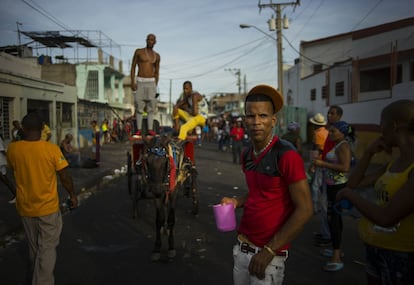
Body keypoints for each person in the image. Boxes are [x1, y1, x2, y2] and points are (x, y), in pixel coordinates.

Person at [221, 84, 313, 285]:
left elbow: (305, 209)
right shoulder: (247, 154)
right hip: (241, 249)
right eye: (251, 116)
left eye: (263, 116)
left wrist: (270, 251)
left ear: (273, 120)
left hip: (268, 257)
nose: (256, 122)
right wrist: (236, 201)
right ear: (244, 120)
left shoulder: (287, 155)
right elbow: (258, 192)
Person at [336, 99, 414, 284]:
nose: (380, 130)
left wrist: (349, 196)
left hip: (403, 257)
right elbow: (354, 183)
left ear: (394, 126)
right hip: (377, 249)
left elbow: (386, 217)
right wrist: (369, 153)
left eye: (382, 125)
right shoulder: (393, 164)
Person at [6, 112, 78, 285]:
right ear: (42, 128)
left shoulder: (13, 149)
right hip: (47, 208)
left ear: (23, 129)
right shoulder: (51, 149)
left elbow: (12, 166)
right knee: (46, 249)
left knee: (34, 248)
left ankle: (36, 273)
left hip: (25, 208)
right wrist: (73, 195)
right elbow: (65, 177)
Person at [313, 120, 355, 271]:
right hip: (332, 186)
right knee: (333, 219)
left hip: (338, 188)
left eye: (333, 131)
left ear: (342, 133)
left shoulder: (343, 146)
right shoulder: (338, 145)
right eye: (330, 131)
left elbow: (345, 167)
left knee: (334, 220)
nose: (330, 134)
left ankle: (336, 257)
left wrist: (323, 164)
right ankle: (336, 248)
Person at [312, 107, 343, 248]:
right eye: (328, 113)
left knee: (330, 208)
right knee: (327, 207)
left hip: (334, 176)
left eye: (333, 113)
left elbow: (345, 164)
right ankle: (327, 235)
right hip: (327, 172)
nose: (329, 115)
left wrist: (321, 163)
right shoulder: (329, 131)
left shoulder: (339, 133)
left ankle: (330, 239)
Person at [130, 33, 160, 137]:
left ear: (155, 42)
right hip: (140, 81)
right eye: (149, 39)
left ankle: (150, 129)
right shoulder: (139, 52)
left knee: (151, 107)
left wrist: (155, 84)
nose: (150, 41)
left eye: (152, 40)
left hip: (151, 81)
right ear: (146, 40)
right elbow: (133, 66)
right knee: (139, 106)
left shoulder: (157, 56)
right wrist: (132, 81)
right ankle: (138, 129)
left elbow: (157, 71)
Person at [0, 134, 16, 203]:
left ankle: (16, 194)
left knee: (5, 179)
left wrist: (8, 157)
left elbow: (2, 150)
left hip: (0, 161)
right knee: (4, 179)